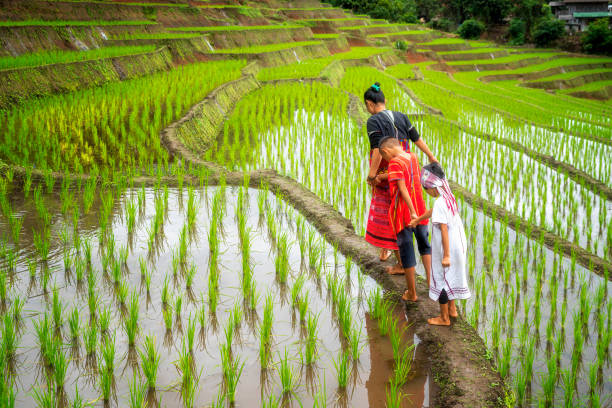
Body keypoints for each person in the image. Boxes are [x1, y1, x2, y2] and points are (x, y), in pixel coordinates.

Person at [363, 82, 437, 274]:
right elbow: (417, 139)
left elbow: (379, 151)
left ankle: (401, 265)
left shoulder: (373, 121)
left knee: (391, 214)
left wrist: (372, 175)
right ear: (384, 101)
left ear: (370, 104)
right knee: (397, 210)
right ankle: (385, 250)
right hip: (406, 172)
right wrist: (430, 155)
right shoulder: (402, 116)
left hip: (388, 175)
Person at [409, 162, 471, 326]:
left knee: (441, 278)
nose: (426, 193)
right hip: (459, 243)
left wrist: (446, 255)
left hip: (448, 247)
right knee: (450, 276)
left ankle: (444, 318)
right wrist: (418, 220)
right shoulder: (448, 197)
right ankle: (452, 309)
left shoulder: (440, 203)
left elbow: (443, 229)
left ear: (432, 188)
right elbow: (433, 212)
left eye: (426, 189)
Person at [378, 137, 432, 302]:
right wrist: (417, 211)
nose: (387, 161)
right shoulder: (413, 157)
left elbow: (402, 189)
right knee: (424, 246)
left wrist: (412, 211)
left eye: (385, 158)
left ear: (386, 151)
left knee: (407, 251)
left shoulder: (395, 163)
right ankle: (431, 284)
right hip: (421, 210)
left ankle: (412, 293)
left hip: (405, 214)